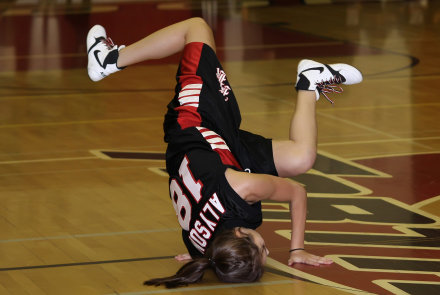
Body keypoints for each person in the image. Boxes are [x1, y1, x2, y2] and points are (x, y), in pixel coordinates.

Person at [86, 18, 363, 288]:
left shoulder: (245, 189)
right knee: (302, 156)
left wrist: (296, 249)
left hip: (195, 120)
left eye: (262, 247)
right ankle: (309, 80)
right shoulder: (206, 248)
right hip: (224, 153)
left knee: (196, 28)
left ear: (241, 234)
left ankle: (107, 60)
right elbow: (205, 249)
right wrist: (202, 258)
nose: (267, 249)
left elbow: (297, 192)